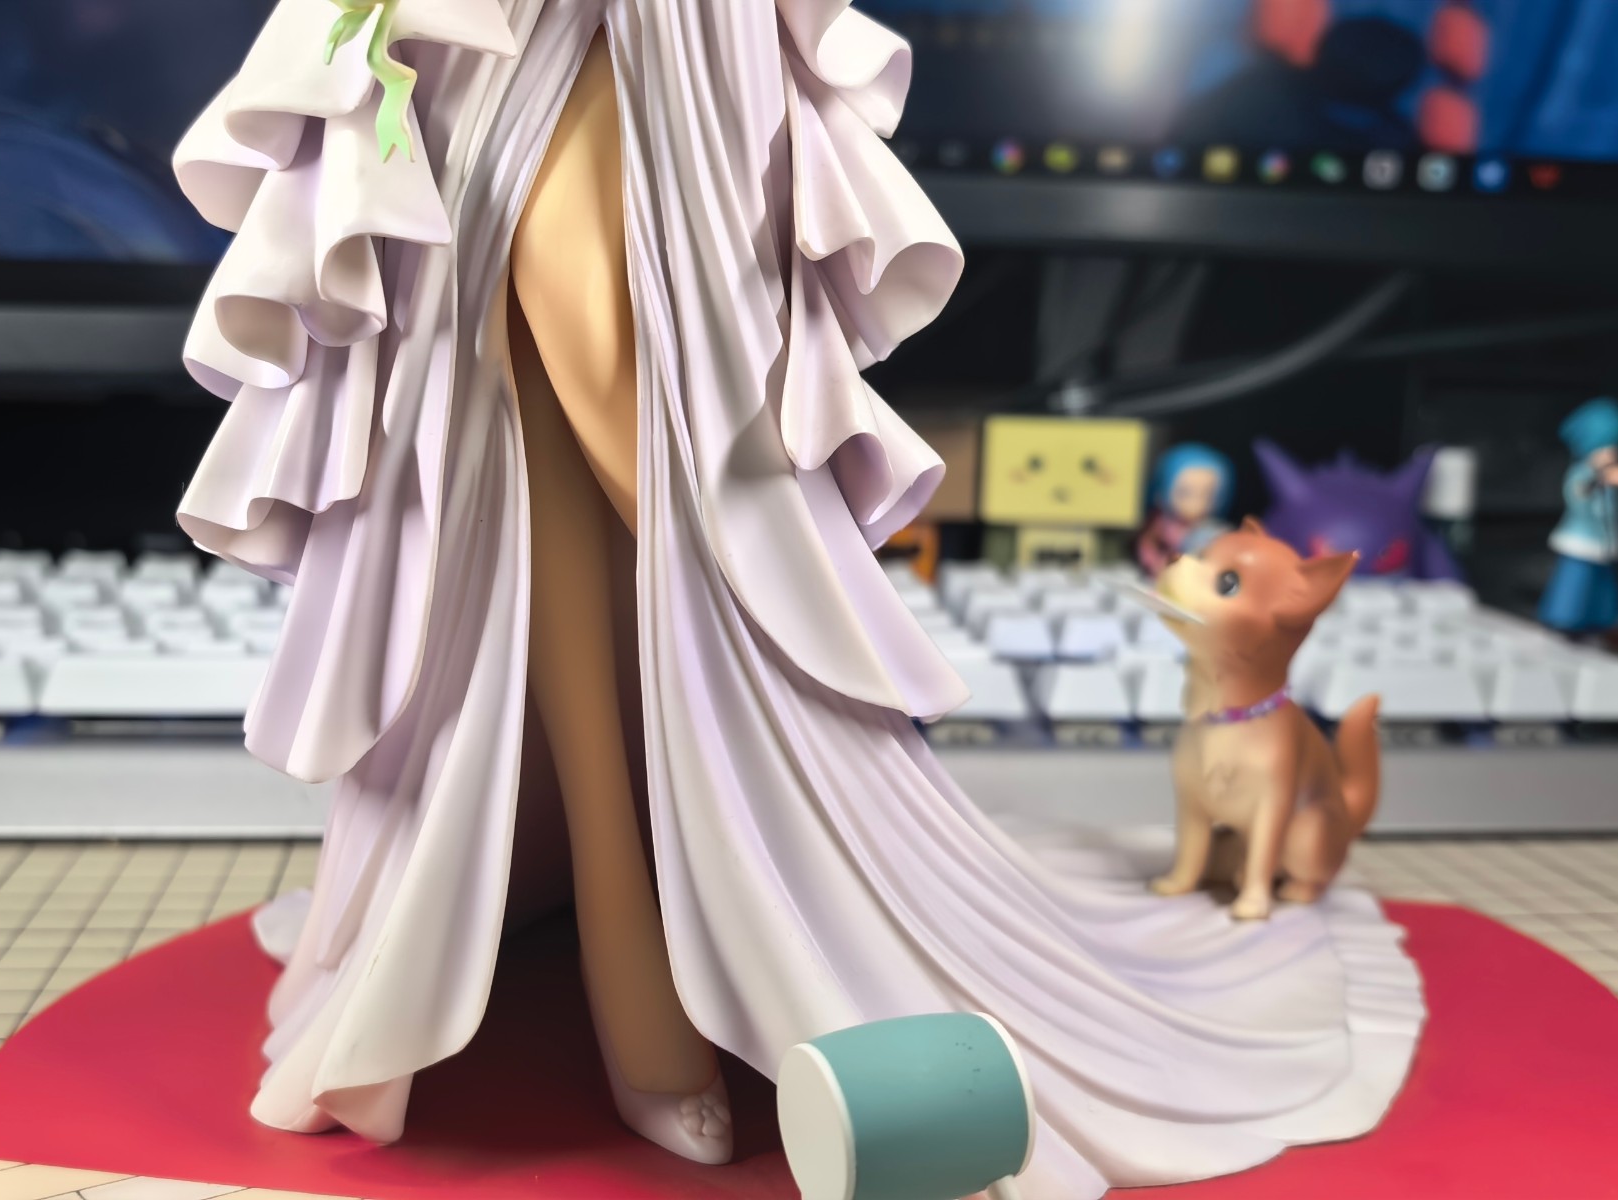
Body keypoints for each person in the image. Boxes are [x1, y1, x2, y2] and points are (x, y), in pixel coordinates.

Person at [170, 2, 1421, 1193]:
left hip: (664, 43)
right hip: (462, 48)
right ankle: (625, 936)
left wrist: (757, 560)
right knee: (502, 433)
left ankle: (664, 906)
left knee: (626, 370)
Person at [1539, 399, 1618, 639]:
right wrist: (1603, 478)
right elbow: (1579, 493)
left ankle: (1594, 628)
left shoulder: (1611, 480)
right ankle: (1563, 628)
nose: (1613, 452)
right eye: (1606, 447)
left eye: (1614, 446)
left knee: (1600, 599)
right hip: (1580, 547)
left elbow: (1612, 519)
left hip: (1605, 549)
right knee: (1572, 594)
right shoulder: (1582, 474)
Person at [1136, 443, 1234, 577]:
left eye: (1207, 495)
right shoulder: (1162, 524)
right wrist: (1154, 563)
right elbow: (1148, 544)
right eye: (1185, 493)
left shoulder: (1212, 530)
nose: (1196, 504)